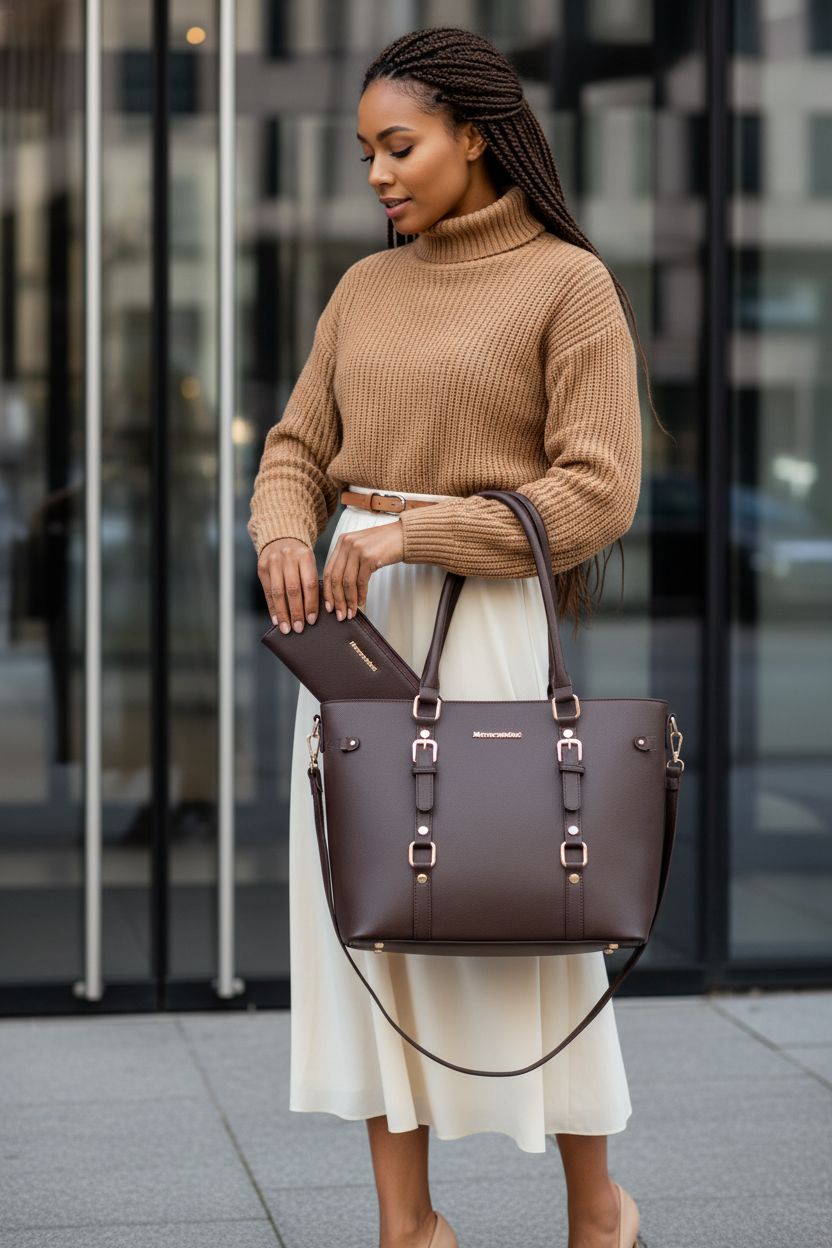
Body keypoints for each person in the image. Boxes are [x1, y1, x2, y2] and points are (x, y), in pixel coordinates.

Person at [247, 25, 664, 1248]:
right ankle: (406, 1224)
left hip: (481, 630)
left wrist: (415, 533)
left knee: (530, 912)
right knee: (372, 920)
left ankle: (598, 1209)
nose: (376, 173)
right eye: (365, 150)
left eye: (399, 145)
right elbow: (295, 448)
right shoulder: (363, 287)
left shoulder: (565, 285)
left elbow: (598, 492)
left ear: (475, 137)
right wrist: (284, 527)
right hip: (353, 634)